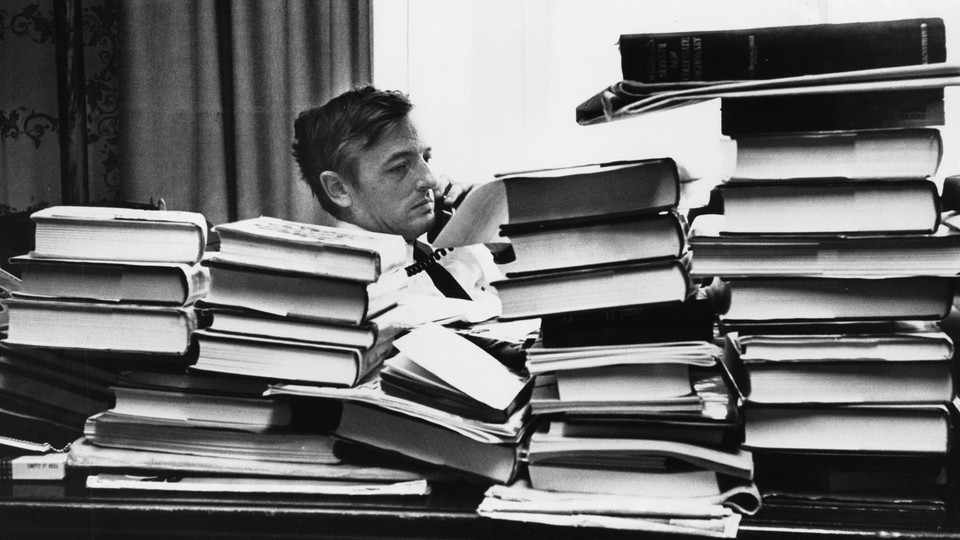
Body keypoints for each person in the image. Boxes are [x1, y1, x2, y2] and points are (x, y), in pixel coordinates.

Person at [292, 85, 502, 310]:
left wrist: (492, 231)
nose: (430, 180)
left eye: (426, 158)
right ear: (339, 189)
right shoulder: (346, 295)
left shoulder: (449, 256)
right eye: (400, 167)